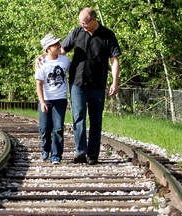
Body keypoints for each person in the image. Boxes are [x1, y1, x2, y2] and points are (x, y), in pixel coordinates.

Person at [60, 7, 121, 165]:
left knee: (96, 121)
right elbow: (61, 50)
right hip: (77, 83)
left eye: (85, 23)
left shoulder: (107, 35)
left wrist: (115, 81)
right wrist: (44, 56)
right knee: (78, 117)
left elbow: (114, 59)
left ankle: (92, 155)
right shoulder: (77, 32)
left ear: (94, 20)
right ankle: (80, 152)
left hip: (97, 84)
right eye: (80, 23)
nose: (82, 26)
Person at [35, 33, 70, 165]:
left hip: (60, 99)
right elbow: (39, 84)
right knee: (44, 128)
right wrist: (42, 102)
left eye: (58, 43)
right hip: (46, 99)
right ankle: (45, 149)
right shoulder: (42, 64)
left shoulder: (65, 60)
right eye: (55, 44)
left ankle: (56, 155)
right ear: (48, 48)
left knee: (58, 128)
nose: (58, 46)